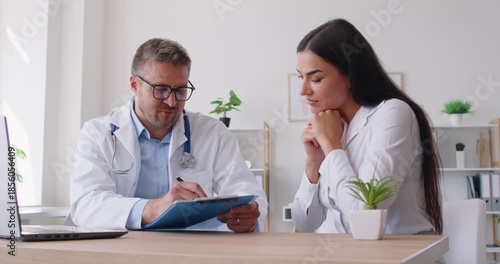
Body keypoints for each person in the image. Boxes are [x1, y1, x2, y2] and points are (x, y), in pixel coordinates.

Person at [69, 38, 267, 233]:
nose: (172, 102)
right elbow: (86, 204)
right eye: (161, 90)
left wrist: (248, 215)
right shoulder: (98, 133)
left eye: (180, 91)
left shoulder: (212, 133)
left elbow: (247, 192)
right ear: (134, 84)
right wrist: (153, 208)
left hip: (195, 251)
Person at [291, 19, 442, 235]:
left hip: (402, 254)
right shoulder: (332, 125)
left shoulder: (393, 114)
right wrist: (313, 162)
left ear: (351, 75)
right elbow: (305, 225)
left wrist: (332, 146)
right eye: (300, 77)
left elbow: (364, 217)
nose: (302, 90)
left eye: (315, 78)